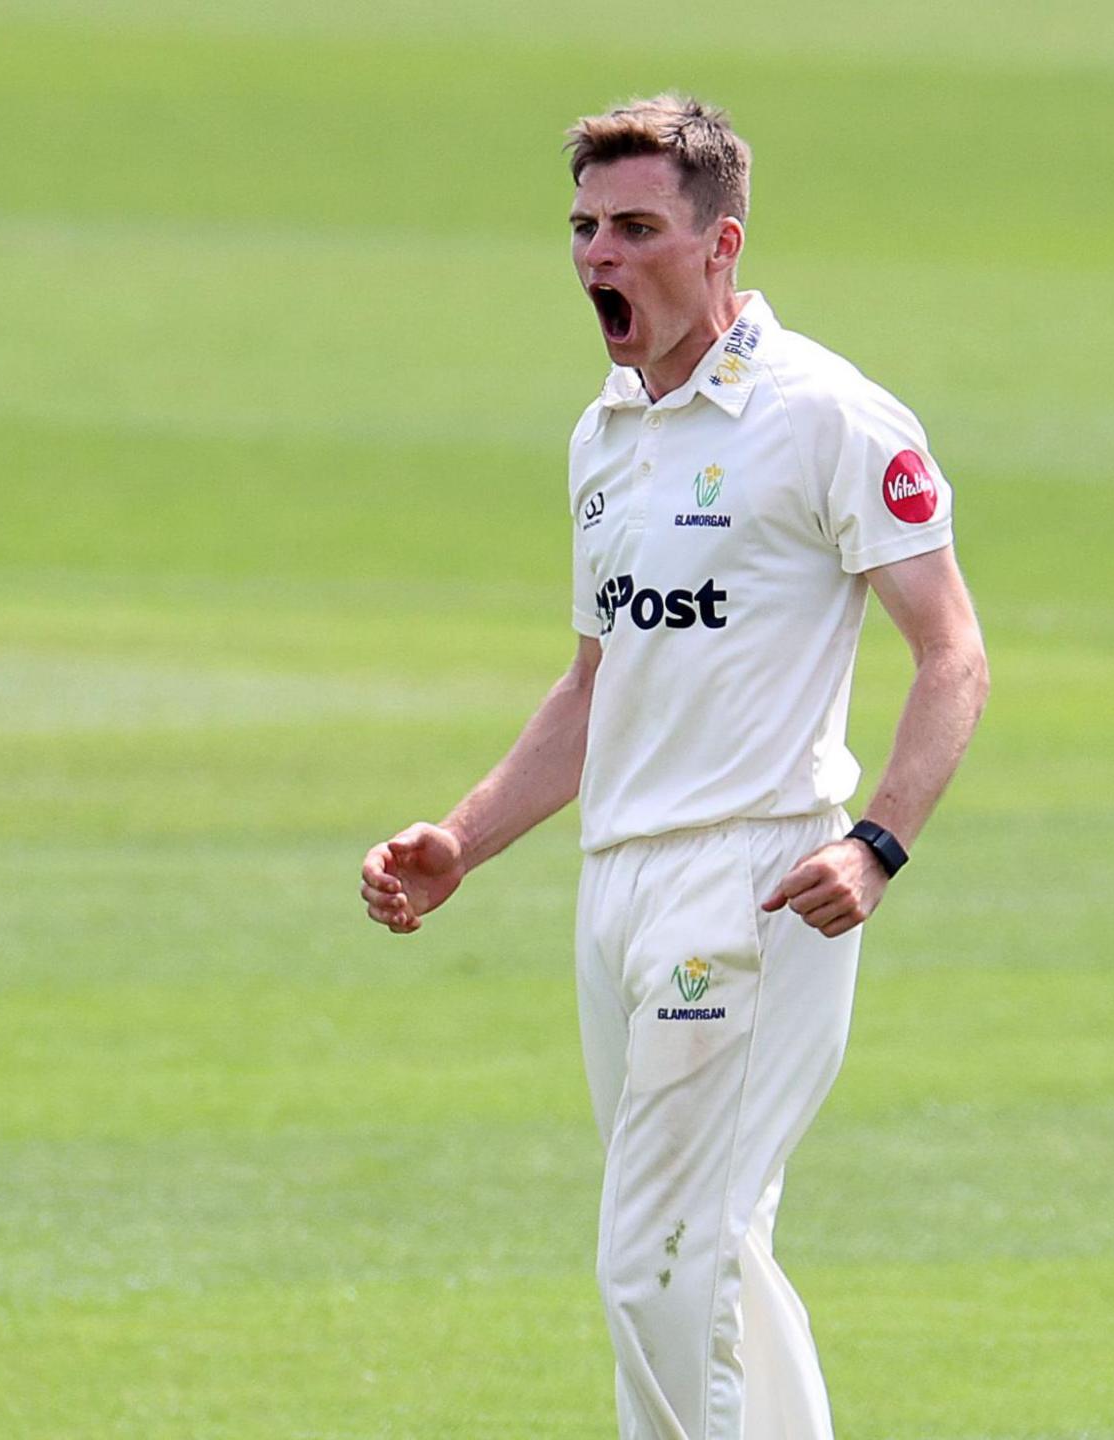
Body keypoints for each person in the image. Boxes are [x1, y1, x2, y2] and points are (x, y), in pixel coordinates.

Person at [358, 98, 989, 1439]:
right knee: (716, 1257)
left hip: (758, 880)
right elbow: (601, 679)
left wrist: (874, 843)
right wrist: (463, 841)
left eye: (637, 227)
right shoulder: (607, 435)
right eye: (584, 228)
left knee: (654, 1261)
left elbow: (953, 654)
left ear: (720, 245)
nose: (601, 256)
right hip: (621, 887)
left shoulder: (825, 414)